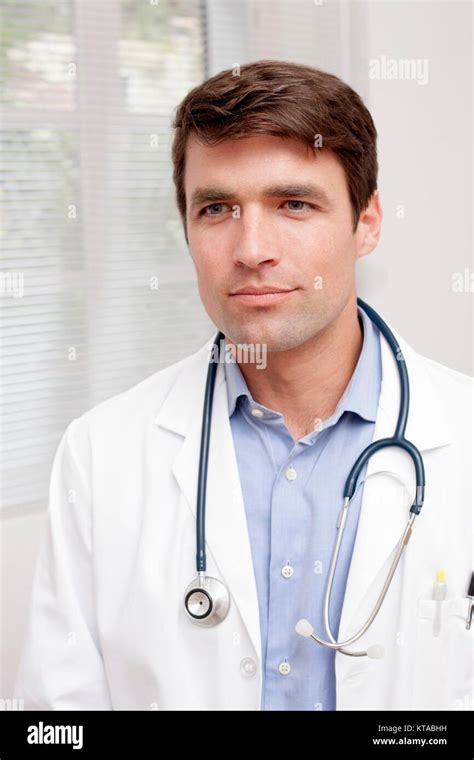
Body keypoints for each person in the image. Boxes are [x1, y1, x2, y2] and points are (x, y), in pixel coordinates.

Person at [15, 60, 472, 711]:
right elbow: (56, 718)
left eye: (293, 204)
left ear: (366, 222)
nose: (251, 247)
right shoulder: (100, 455)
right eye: (217, 208)